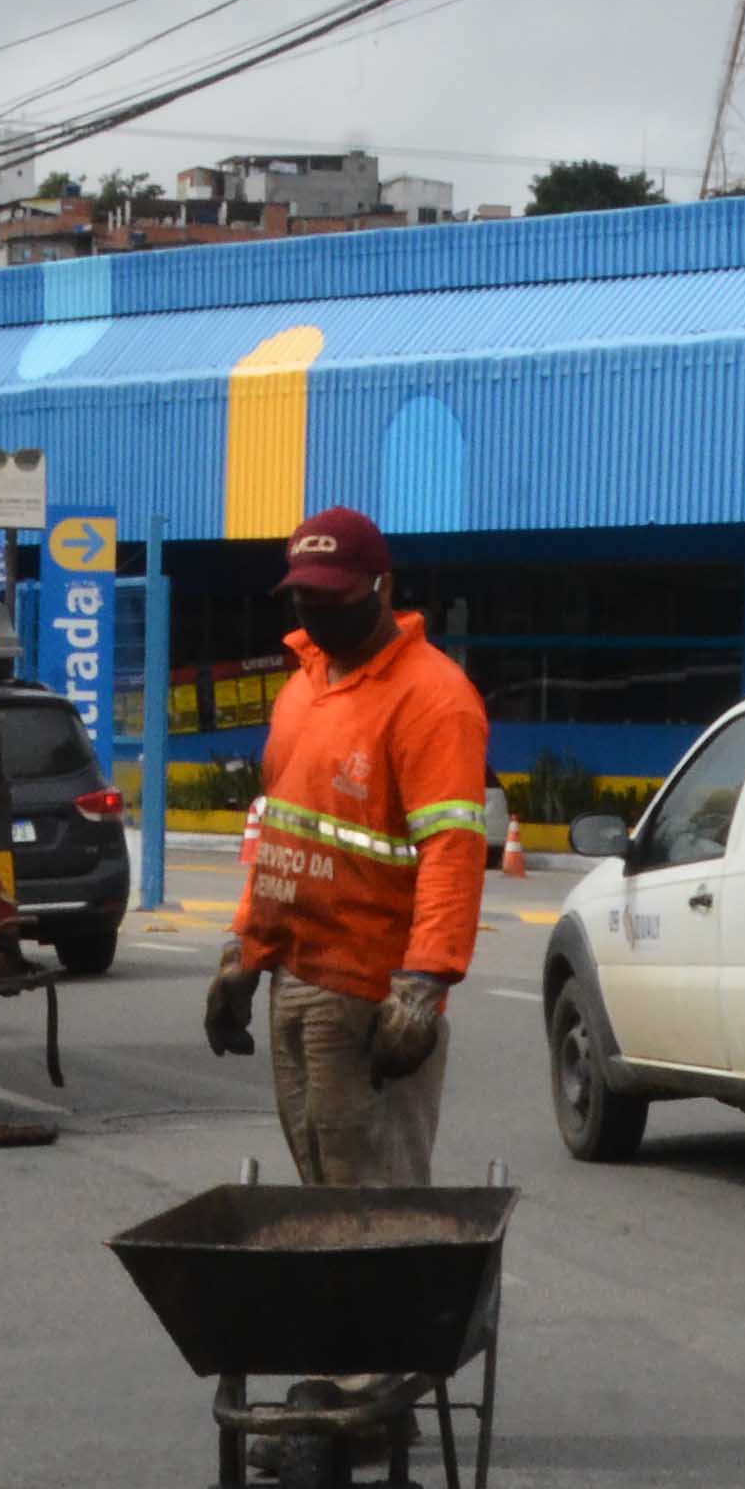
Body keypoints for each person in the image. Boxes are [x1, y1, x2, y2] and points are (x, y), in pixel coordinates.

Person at [201, 506, 493, 1186]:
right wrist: (244, 954)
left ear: (381, 588)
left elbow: (453, 852)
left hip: (372, 994)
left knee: (377, 1198)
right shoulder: (304, 688)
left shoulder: (433, 700)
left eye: (333, 597)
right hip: (295, 980)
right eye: (303, 596)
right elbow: (281, 834)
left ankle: (403, 1297)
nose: (317, 611)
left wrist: (422, 987)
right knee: (321, 1188)